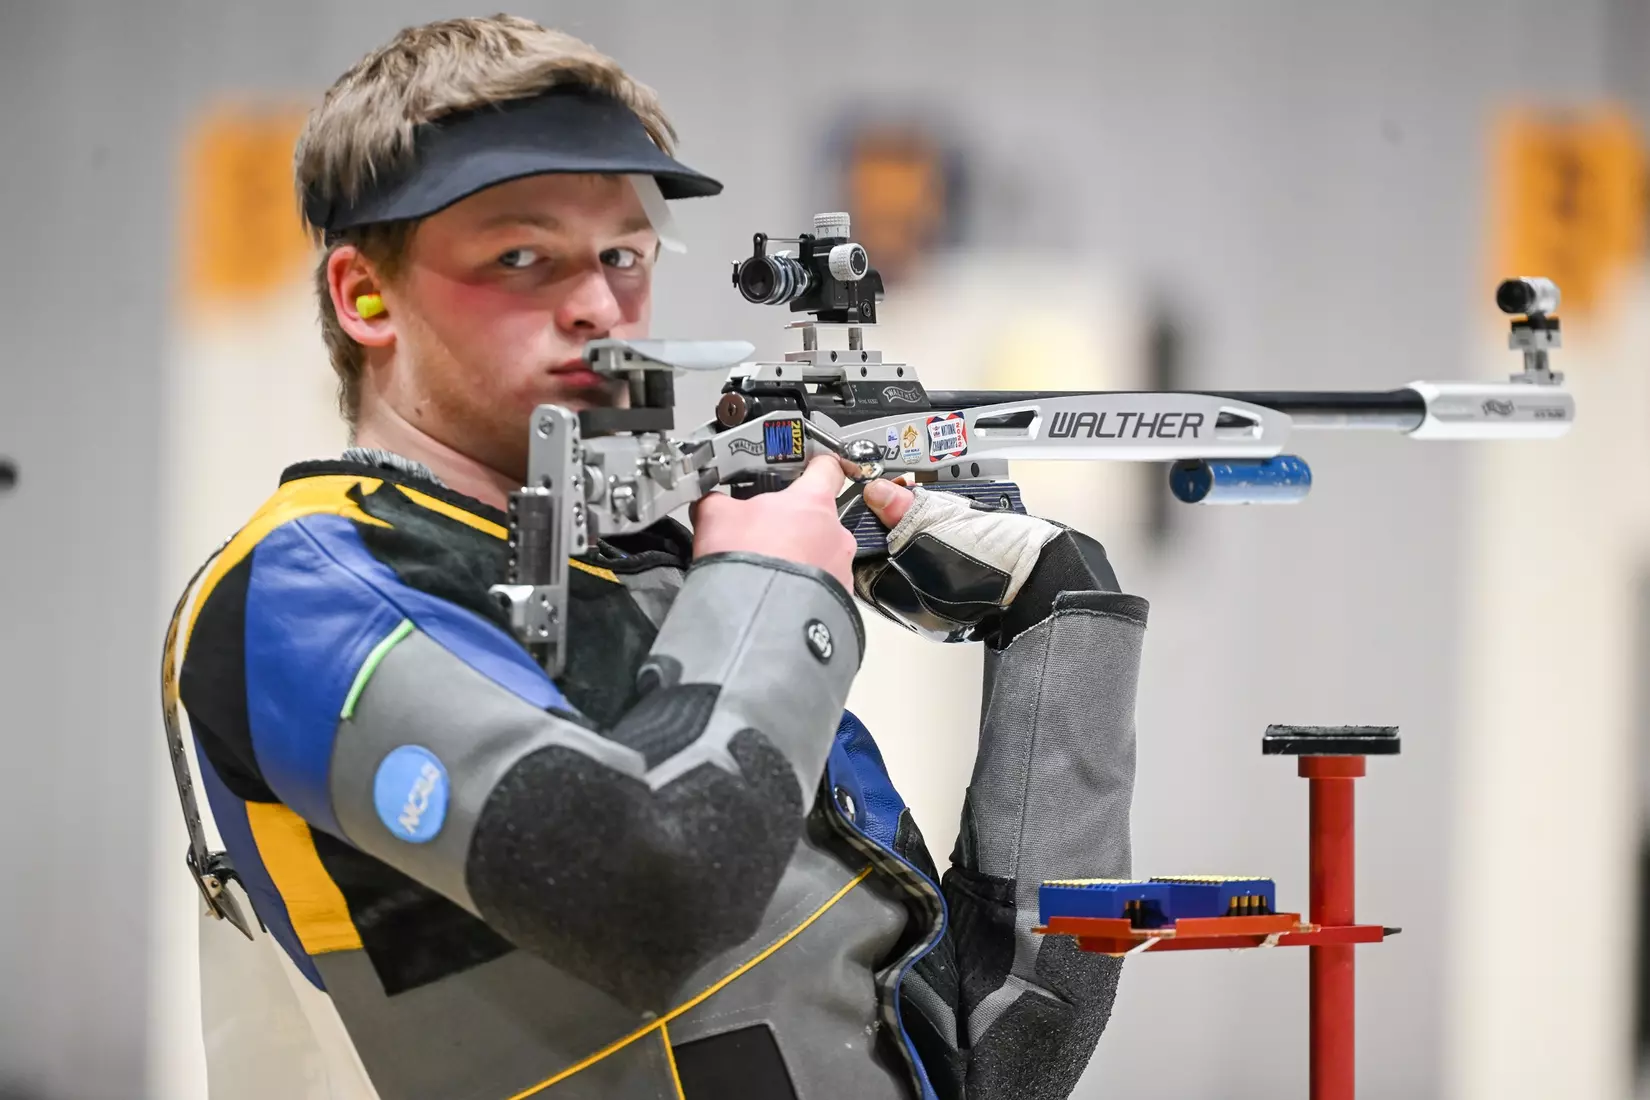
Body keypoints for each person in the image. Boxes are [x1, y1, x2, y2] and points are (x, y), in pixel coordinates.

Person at [168, 15, 1146, 1100]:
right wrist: (781, 585)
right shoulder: (305, 588)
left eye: (624, 254)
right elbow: (649, 898)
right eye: (522, 254)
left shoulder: (661, 576)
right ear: (365, 295)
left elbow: (1001, 1056)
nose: (598, 303)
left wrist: (1058, 612)